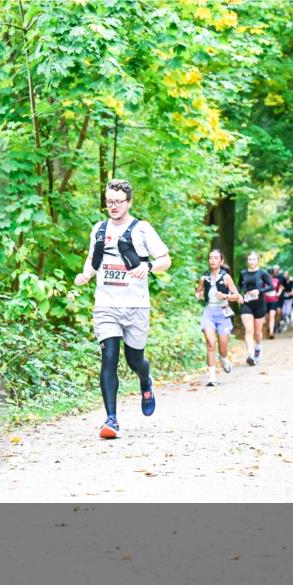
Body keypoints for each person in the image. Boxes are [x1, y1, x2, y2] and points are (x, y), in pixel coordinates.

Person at [75, 179, 171, 439]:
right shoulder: (99, 228)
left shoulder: (142, 229)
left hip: (136, 305)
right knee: (109, 358)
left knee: (134, 360)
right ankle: (111, 420)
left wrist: (148, 267)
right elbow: (92, 259)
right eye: (109, 202)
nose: (113, 206)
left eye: (118, 202)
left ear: (128, 202)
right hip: (106, 305)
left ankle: (145, 381)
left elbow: (165, 259)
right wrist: (85, 275)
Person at [195, 249, 240, 386]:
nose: (213, 260)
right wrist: (199, 295)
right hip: (209, 312)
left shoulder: (226, 277)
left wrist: (225, 296)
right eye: (210, 258)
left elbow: (236, 296)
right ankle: (212, 378)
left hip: (223, 313)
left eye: (215, 258)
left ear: (221, 261)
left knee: (222, 347)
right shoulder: (204, 278)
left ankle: (224, 358)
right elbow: (198, 292)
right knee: (210, 344)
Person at [237, 251, 274, 366]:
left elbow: (271, 286)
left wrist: (259, 291)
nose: (251, 262)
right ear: (247, 261)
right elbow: (239, 286)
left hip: (259, 304)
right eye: (249, 259)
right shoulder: (243, 273)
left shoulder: (262, 273)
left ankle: (258, 347)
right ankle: (250, 354)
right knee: (248, 330)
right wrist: (238, 295)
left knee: (257, 332)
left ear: (258, 260)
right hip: (246, 303)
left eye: (254, 259)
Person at [265, 265, 282, 338]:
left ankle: (271, 332)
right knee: (267, 317)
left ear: (273, 274)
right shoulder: (263, 281)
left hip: (274, 301)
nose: (270, 275)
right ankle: (269, 328)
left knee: (272, 316)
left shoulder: (276, 280)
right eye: (268, 274)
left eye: (271, 274)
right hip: (265, 301)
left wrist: (278, 293)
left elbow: (280, 287)